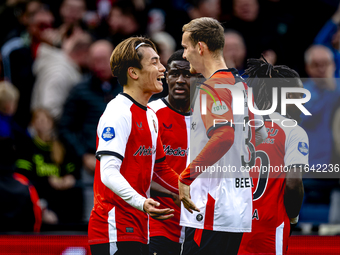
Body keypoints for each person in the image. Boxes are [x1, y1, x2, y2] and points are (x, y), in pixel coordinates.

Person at [179, 17, 267, 255]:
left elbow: (224, 136)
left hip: (210, 207)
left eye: (186, 47)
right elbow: (261, 133)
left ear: (201, 47)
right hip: (237, 205)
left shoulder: (211, 88)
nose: (184, 55)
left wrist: (186, 177)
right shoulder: (241, 86)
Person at [88, 37, 180, 255]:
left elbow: (160, 169)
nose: (162, 68)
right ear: (134, 73)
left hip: (139, 226)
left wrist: (187, 190)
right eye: (155, 62)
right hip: (113, 228)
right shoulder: (118, 112)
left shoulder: (150, 115)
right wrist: (142, 202)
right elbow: (108, 173)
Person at [238, 57, 309, 254]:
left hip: (233, 225)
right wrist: (293, 217)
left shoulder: (239, 126)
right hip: (269, 228)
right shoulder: (293, 131)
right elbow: (293, 183)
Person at [58, 40, 122, 222]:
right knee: (93, 215)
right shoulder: (79, 91)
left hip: (125, 162)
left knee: (124, 215)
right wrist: (83, 155)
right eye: (94, 60)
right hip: (92, 163)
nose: (98, 65)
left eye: (103, 60)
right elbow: (65, 128)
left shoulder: (128, 88)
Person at [148, 49, 195, 255]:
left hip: (197, 224)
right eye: (175, 73)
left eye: (188, 74)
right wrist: (173, 193)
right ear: (166, 77)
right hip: (160, 221)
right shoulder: (151, 114)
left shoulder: (208, 118)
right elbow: (138, 173)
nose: (180, 80)